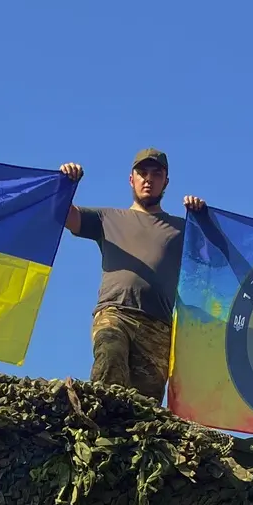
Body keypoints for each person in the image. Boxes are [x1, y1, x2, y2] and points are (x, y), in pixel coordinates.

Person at [58, 150, 204, 401]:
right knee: (109, 355)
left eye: (156, 174)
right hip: (115, 311)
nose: (148, 179)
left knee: (144, 403)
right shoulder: (107, 218)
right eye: (142, 173)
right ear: (131, 179)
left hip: (157, 326)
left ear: (165, 182)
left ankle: (127, 439)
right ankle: (99, 424)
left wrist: (201, 215)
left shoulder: (183, 229)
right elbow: (66, 216)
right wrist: (65, 184)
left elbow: (215, 253)